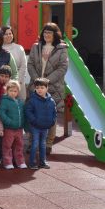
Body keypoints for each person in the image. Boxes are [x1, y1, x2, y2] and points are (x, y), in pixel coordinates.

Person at [26, 22, 69, 154]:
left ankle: (48, 143)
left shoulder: (62, 49)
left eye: (49, 33)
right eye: (45, 32)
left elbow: (63, 67)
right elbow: (31, 63)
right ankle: (32, 142)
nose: (46, 35)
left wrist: (47, 81)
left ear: (55, 34)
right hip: (35, 85)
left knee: (50, 117)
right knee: (33, 115)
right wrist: (37, 80)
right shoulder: (36, 47)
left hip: (53, 87)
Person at [25, 77, 56, 170]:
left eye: (42, 88)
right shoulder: (32, 100)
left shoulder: (51, 101)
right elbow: (28, 111)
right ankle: (32, 162)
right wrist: (34, 121)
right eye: (37, 88)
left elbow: (54, 112)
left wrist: (52, 121)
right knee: (35, 144)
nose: (39, 90)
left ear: (47, 88)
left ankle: (43, 162)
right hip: (35, 127)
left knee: (43, 144)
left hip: (45, 127)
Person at [0, 80, 26, 169]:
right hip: (9, 128)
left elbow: (23, 114)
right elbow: (1, 113)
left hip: (19, 129)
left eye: (15, 91)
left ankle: (20, 162)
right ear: (7, 91)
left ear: (18, 91)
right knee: (7, 145)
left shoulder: (20, 102)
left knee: (19, 145)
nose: (13, 93)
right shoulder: (4, 101)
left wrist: (23, 124)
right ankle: (7, 162)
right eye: (11, 91)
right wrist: (9, 122)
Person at [1, 25, 28, 98]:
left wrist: (17, 81)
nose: (8, 36)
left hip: (18, 82)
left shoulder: (19, 48)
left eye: (10, 33)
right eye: (6, 34)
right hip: (3, 83)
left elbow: (23, 66)